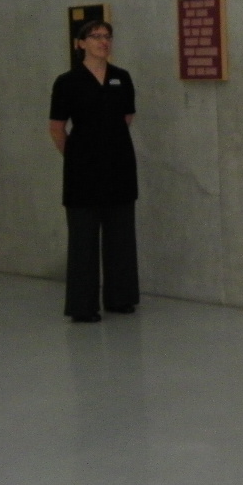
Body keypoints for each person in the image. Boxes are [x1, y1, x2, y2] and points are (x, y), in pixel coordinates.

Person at [48, 20, 140, 323]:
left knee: (120, 235)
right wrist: (78, 156)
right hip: (82, 171)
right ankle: (83, 306)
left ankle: (120, 298)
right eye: (96, 36)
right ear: (81, 43)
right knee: (83, 238)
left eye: (107, 36)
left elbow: (126, 117)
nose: (103, 41)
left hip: (119, 166)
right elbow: (57, 128)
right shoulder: (67, 82)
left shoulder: (121, 78)